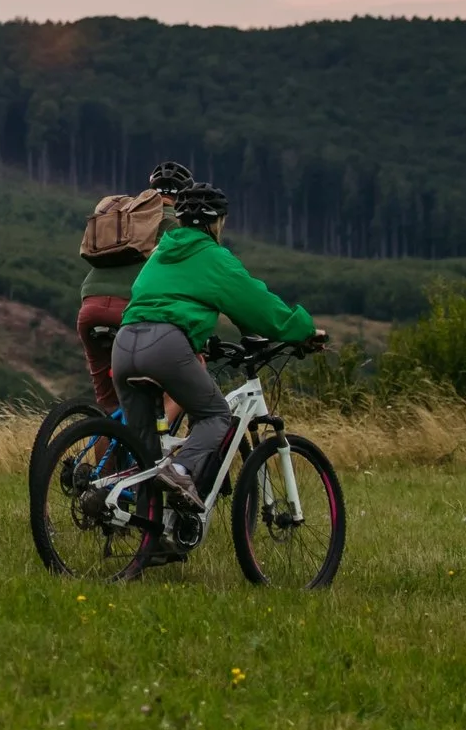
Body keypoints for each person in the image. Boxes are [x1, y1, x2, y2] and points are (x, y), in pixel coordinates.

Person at [111, 183, 317, 519]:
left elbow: (158, 299)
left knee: (146, 453)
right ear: (216, 223)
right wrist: (304, 330)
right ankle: (181, 471)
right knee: (216, 415)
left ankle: (153, 540)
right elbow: (260, 307)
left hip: (125, 343)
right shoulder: (213, 257)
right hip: (165, 345)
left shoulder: (162, 251)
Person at [78, 160, 191, 409]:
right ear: (184, 197)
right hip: (131, 311)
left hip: (91, 308)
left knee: (109, 406)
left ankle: (107, 439)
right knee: (185, 381)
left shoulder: (129, 217)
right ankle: (156, 447)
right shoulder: (179, 226)